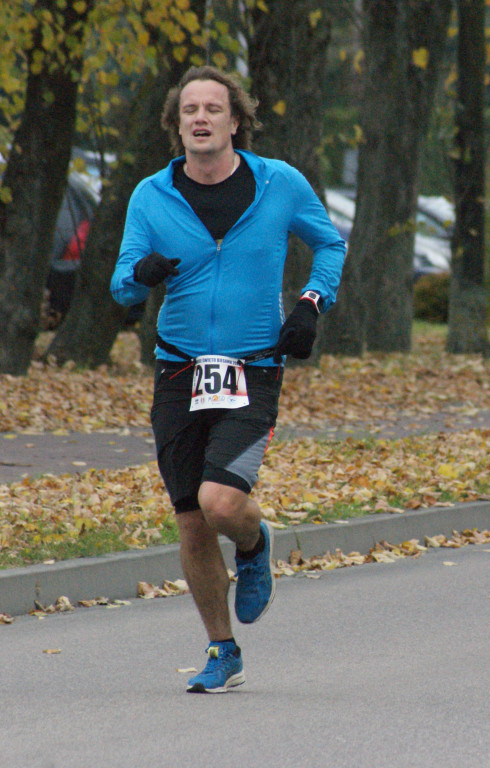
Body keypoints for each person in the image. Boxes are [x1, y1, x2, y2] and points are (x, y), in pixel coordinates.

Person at [110, 65, 346, 693]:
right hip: (178, 370)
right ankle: (222, 649)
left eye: (214, 108)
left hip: (253, 367)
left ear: (235, 120)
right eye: (191, 110)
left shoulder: (279, 183)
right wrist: (145, 274)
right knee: (191, 520)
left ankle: (253, 537)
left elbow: (330, 245)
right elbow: (121, 282)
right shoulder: (150, 195)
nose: (201, 119)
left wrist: (310, 304)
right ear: (176, 123)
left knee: (221, 505)